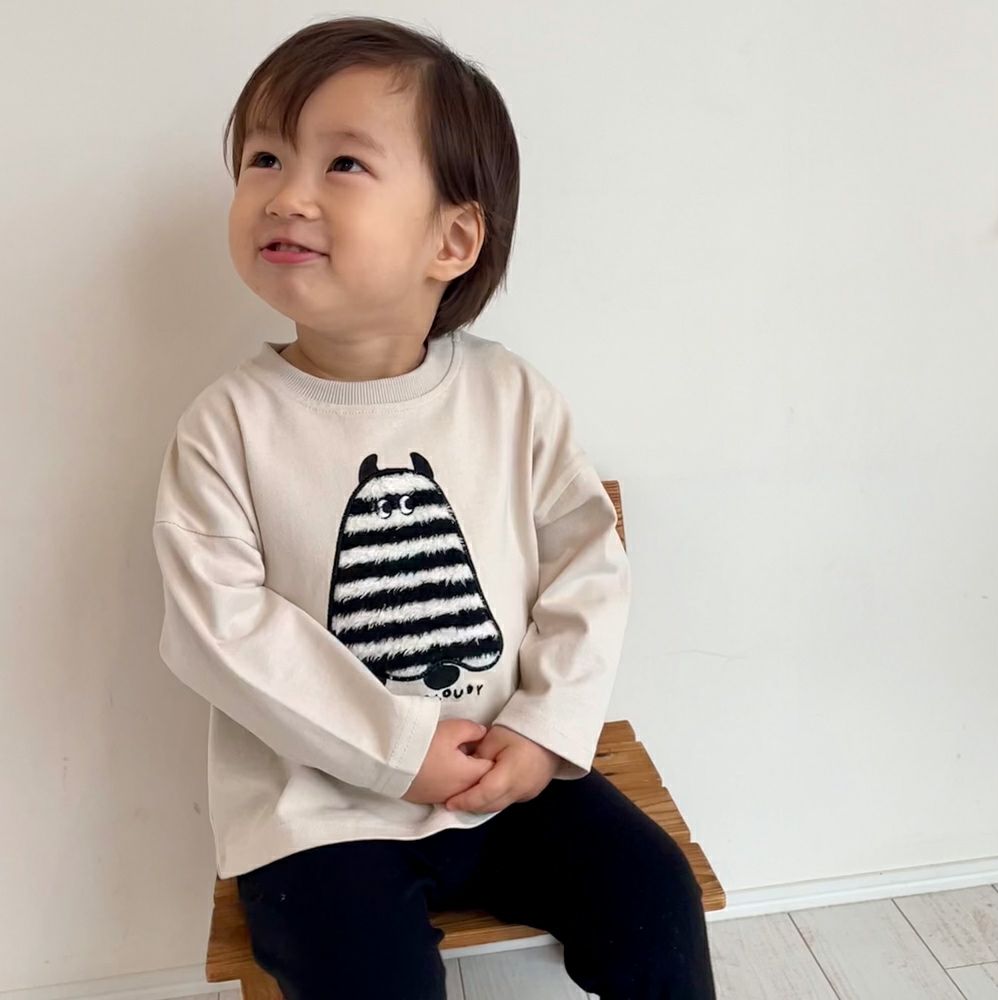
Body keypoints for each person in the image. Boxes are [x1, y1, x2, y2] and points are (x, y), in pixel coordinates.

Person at [151, 15, 716, 1000]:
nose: (285, 194)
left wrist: (545, 727)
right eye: (264, 158)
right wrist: (401, 750)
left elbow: (588, 564)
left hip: (512, 772)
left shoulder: (510, 398)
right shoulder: (226, 426)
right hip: (319, 810)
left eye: (343, 164)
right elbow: (220, 631)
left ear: (451, 238)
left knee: (652, 896)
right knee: (361, 971)